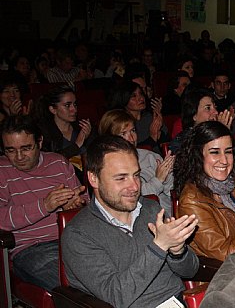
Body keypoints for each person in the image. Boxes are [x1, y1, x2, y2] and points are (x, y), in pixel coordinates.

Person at [62, 135, 198, 308]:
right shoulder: (78, 235)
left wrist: (178, 251)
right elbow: (117, 298)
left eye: (136, 175)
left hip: (180, 307)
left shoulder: (150, 208)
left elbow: (190, 270)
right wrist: (160, 246)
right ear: (93, 178)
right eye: (120, 178)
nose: (134, 186)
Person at [0, 115, 87, 292]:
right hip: (32, 248)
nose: (19, 157)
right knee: (81, 286)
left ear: (39, 142)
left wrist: (76, 205)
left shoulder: (58, 162)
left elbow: (87, 205)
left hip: (73, 240)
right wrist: (44, 206)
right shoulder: (2, 170)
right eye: (10, 150)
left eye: (26, 148)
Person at [173, 121, 235, 261]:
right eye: (215, 152)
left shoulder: (234, 184)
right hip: (227, 274)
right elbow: (226, 255)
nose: (224, 160)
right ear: (199, 155)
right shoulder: (191, 201)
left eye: (228, 152)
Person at [98, 110, 174, 215]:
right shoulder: (108, 166)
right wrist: (158, 180)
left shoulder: (150, 156)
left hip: (167, 214)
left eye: (133, 131)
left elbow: (172, 191)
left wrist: (167, 177)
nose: (131, 138)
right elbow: (134, 196)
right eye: (123, 133)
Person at [32, 85, 94, 162]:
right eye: (67, 105)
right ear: (53, 109)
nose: (74, 109)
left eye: (75, 104)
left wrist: (87, 140)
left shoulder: (82, 127)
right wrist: (76, 145)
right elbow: (48, 162)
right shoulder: (44, 133)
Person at [107, 80, 167, 152]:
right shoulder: (121, 123)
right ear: (124, 99)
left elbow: (167, 142)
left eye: (141, 94)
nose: (141, 98)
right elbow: (129, 151)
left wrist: (160, 134)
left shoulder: (150, 117)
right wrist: (152, 137)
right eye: (133, 96)